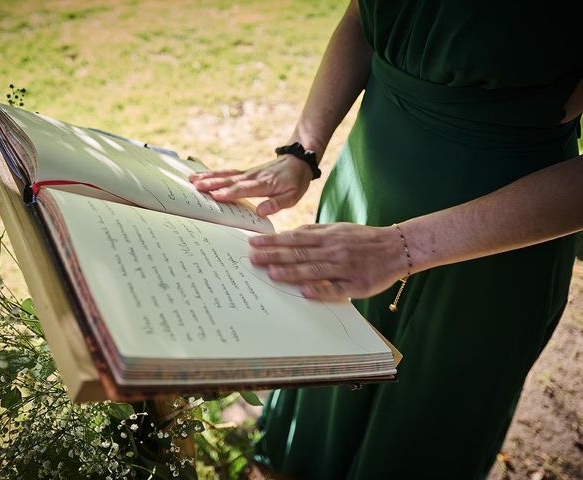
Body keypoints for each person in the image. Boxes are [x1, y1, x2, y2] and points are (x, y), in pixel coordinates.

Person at [190, 1, 583, 478]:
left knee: (417, 435)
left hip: (488, 252)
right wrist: (302, 150)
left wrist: (402, 246)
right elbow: (363, 17)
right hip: (356, 207)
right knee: (321, 399)